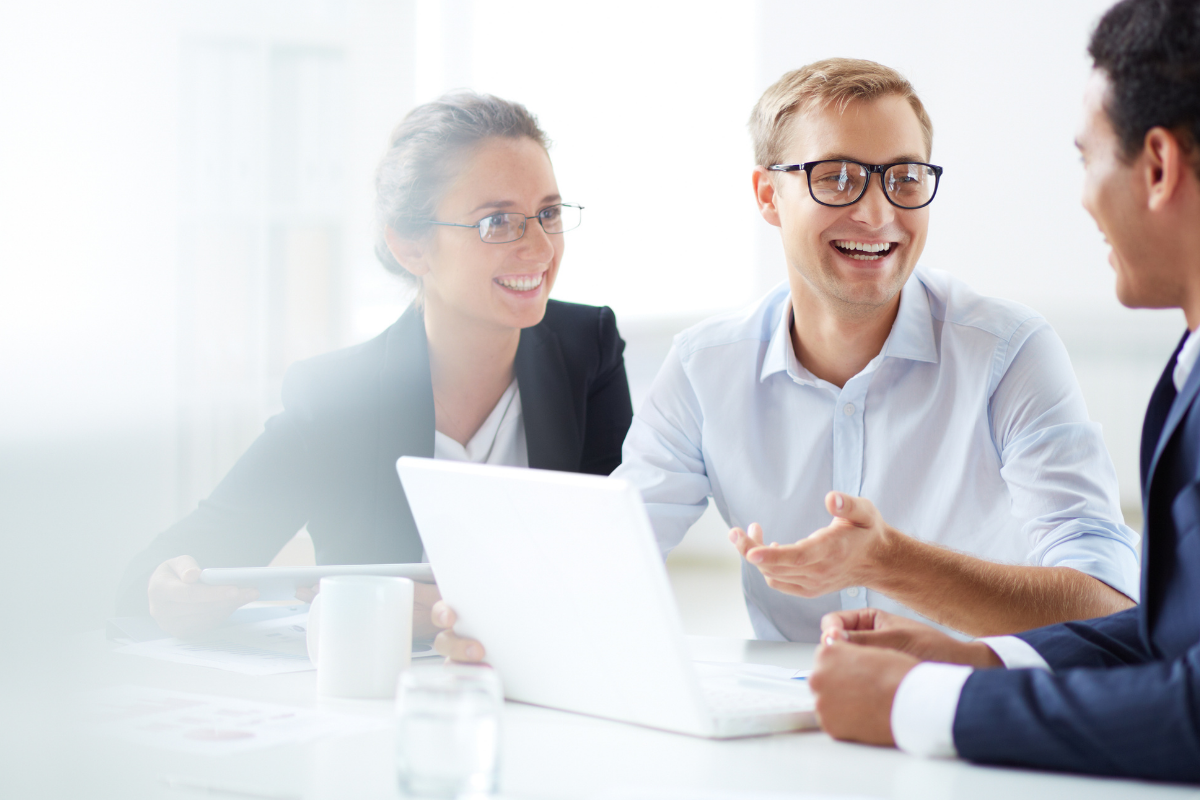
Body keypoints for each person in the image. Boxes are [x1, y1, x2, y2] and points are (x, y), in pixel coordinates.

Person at [432, 59, 1140, 662]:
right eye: (836, 177)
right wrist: (489, 619)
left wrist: (892, 563)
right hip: (795, 724)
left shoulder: (1008, 353)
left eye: (903, 177)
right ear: (768, 196)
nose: (876, 213)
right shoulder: (708, 368)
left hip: (975, 718)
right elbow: (609, 553)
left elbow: (1109, 602)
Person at [807, 0, 1200, 782]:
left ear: (1156, 166)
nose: (1083, 196)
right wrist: (981, 658)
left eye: (1086, 158)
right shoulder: (1188, 365)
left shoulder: (1009, 345)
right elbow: (1171, 638)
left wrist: (923, 704)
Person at [116, 92, 633, 640]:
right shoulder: (339, 398)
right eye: (497, 221)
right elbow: (163, 571)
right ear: (412, 248)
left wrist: (468, 607)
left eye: (548, 214)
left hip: (547, 693)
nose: (539, 248)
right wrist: (165, 590)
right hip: (380, 699)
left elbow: (618, 572)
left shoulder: (587, 350)